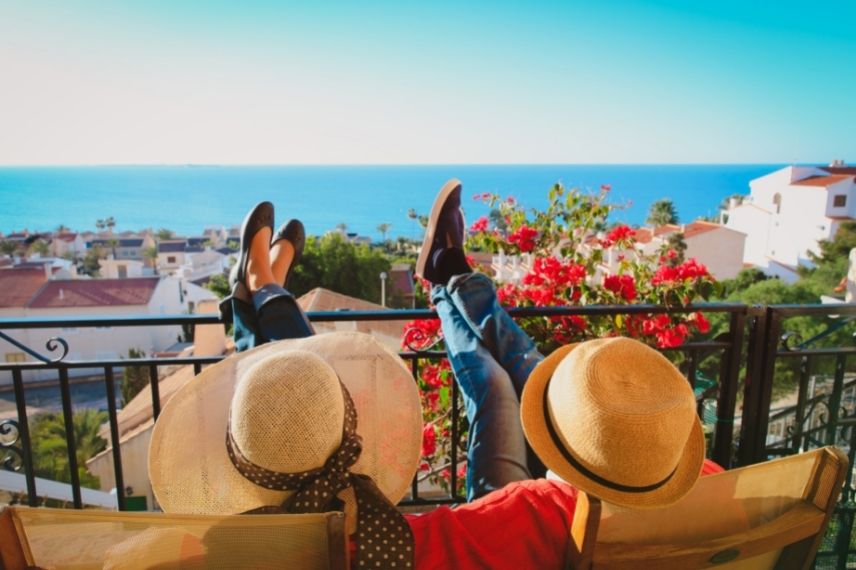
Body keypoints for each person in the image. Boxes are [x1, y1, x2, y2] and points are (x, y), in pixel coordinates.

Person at [148, 190, 722, 569]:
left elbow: (398, 539)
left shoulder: (525, 513)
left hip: (524, 540)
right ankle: (442, 275)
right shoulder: (717, 494)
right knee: (498, 385)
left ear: (568, 446)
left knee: (306, 398)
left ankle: (259, 296)